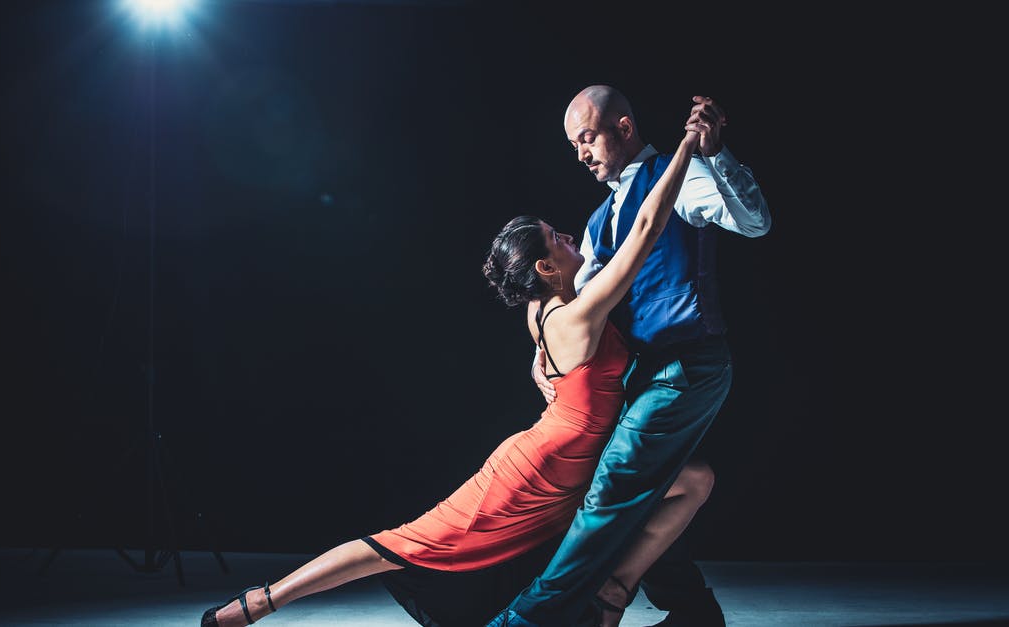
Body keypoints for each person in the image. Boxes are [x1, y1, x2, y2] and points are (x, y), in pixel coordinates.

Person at [200, 120, 709, 627]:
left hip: (579, 462)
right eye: (558, 239)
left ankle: (612, 595)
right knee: (400, 545)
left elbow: (551, 362)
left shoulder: (542, 309)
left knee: (694, 479)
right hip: (538, 473)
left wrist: (549, 376)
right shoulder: (577, 315)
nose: (572, 238)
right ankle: (260, 602)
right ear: (546, 270)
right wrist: (684, 148)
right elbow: (645, 229)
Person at [487, 87, 772, 627]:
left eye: (588, 138)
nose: (581, 154)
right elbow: (571, 301)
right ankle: (691, 610)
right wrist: (540, 352)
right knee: (651, 486)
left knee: (613, 488)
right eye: (574, 145)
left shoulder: (678, 175)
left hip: (687, 362)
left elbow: (755, 223)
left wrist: (714, 154)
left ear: (622, 127)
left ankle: (530, 620)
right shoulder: (597, 222)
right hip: (640, 374)